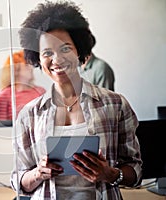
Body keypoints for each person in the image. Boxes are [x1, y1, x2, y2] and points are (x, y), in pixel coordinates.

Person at [10, 1, 142, 200]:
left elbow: (136, 172)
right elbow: (18, 181)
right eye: (47, 53)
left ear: (79, 51)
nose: (56, 60)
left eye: (65, 49)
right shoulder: (29, 115)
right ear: (38, 57)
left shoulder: (115, 105)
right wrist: (38, 173)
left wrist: (110, 174)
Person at [0, 50, 46, 120]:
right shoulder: (5, 94)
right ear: (15, 70)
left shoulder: (41, 92)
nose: (31, 68)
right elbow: (1, 125)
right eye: (26, 65)